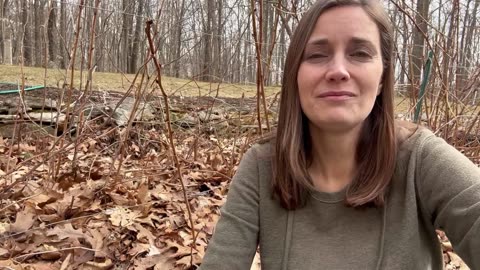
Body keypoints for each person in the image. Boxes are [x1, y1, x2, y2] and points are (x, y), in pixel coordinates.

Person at [199, 0, 480, 269]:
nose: (337, 71)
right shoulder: (262, 167)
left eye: (360, 53)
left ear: (382, 77)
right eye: (317, 55)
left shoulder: (422, 159)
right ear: (295, 75)